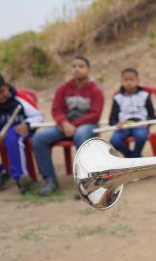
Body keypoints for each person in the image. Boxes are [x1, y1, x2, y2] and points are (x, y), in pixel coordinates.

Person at [32, 56, 104, 195]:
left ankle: (87, 183)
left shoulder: (96, 90)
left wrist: (73, 125)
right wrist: (64, 123)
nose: (77, 69)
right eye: (74, 66)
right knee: (39, 138)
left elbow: (95, 114)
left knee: (81, 135)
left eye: (81, 66)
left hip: (87, 126)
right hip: (64, 126)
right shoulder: (63, 88)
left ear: (88, 69)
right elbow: (56, 109)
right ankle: (50, 181)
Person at [0, 73, 43, 193]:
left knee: (12, 138)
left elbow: (38, 116)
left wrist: (27, 124)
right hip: (3, 132)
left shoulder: (19, 98)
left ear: (7, 86)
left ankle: (21, 178)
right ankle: (2, 172)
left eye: (2, 91)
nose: (1, 96)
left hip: (21, 130)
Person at [108, 68, 156, 158]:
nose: (128, 82)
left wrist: (146, 123)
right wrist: (116, 124)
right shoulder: (117, 98)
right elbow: (111, 120)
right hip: (124, 125)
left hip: (140, 124)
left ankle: (133, 159)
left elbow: (152, 116)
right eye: (125, 80)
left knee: (141, 136)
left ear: (137, 81)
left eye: (132, 79)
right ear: (121, 82)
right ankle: (134, 158)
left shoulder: (144, 95)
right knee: (114, 140)